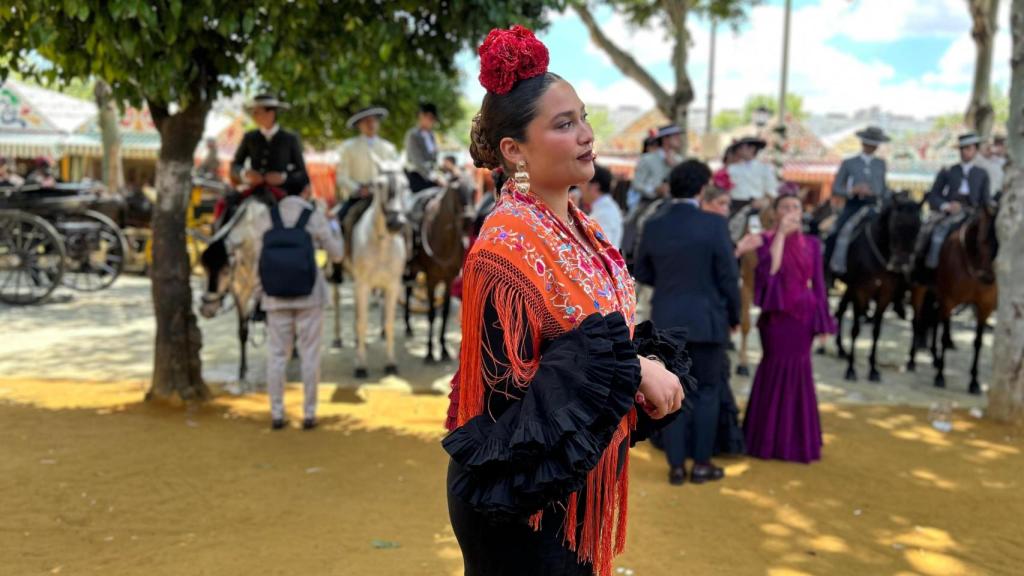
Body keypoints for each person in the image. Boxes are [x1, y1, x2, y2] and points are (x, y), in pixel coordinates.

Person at [443, 25, 687, 576]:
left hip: (568, 491)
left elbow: (596, 348)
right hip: (520, 504)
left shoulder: (583, 227)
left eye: (583, 117)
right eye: (564, 124)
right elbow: (511, 382)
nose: (586, 134)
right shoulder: (502, 244)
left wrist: (634, 374)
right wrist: (633, 370)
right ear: (514, 150)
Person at [635, 160, 740, 485]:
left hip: (667, 320)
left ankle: (676, 466)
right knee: (707, 392)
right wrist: (735, 316)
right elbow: (729, 277)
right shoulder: (714, 224)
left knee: (671, 392)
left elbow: (644, 272)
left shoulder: (653, 224)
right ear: (700, 189)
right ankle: (702, 464)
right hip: (707, 321)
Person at [736, 193, 835, 463]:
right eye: (785, 208)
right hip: (777, 317)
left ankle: (797, 442)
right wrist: (780, 234)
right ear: (776, 213)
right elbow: (770, 272)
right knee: (774, 368)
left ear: (803, 212)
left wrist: (824, 320)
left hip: (804, 315)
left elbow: (820, 285)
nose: (791, 212)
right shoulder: (765, 239)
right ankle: (766, 440)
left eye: (796, 207)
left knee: (801, 372)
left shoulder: (813, 244)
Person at [252, 184, 344, 430]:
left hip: (274, 298)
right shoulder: (313, 217)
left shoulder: (265, 218)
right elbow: (337, 254)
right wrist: (334, 228)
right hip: (310, 296)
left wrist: (258, 295)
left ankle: (277, 413)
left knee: (277, 357)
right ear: (304, 190)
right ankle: (309, 414)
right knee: (310, 356)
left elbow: (257, 261)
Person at [219, 94, 308, 224]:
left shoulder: (290, 138)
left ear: (271, 113)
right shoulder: (249, 137)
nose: (254, 116)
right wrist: (245, 175)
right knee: (225, 206)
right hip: (254, 192)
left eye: (257, 112)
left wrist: (283, 178)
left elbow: (302, 174)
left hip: (283, 194)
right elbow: (235, 166)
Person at [914, 132, 992, 274]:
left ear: (975, 150)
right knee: (934, 232)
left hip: (973, 212)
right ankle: (929, 267)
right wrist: (947, 205)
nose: (964, 152)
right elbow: (934, 195)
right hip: (951, 212)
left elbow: (985, 199)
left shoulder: (982, 173)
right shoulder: (948, 171)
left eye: (968, 148)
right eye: (962, 148)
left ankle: (988, 269)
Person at [824, 126, 890, 278]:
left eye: (875, 144)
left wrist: (884, 194)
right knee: (835, 232)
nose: (872, 147)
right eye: (869, 143)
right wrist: (853, 190)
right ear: (863, 143)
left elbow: (884, 187)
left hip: (876, 205)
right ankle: (829, 270)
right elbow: (836, 188)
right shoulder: (849, 163)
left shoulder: (881, 163)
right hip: (854, 205)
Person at [335, 105, 400, 225]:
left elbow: (397, 174)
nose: (371, 124)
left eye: (374, 120)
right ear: (359, 125)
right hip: (359, 197)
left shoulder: (389, 148)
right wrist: (358, 189)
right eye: (366, 121)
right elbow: (342, 177)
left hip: (385, 198)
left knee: (406, 221)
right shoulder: (348, 147)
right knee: (342, 221)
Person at [727, 136, 776, 215]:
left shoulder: (765, 168)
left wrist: (765, 201)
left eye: (742, 147)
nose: (739, 150)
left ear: (752, 148)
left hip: (757, 205)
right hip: (735, 205)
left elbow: (771, 190)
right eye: (739, 148)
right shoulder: (732, 168)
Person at [582, 164, 623, 248]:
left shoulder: (604, 213)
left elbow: (599, 248)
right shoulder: (606, 208)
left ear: (594, 186)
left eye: (583, 182)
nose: (579, 186)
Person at [404, 102, 441, 193]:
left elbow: (434, 159)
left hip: (433, 174)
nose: (431, 121)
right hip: (418, 177)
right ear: (421, 116)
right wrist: (435, 177)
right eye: (429, 117)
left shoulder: (432, 135)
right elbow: (418, 161)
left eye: (433, 118)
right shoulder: (413, 135)